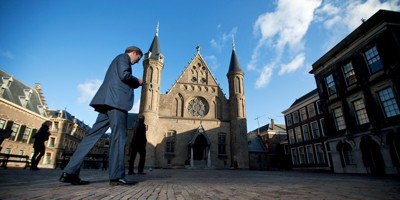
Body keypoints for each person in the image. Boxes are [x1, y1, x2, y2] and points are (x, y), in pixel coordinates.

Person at [59, 46, 143, 186]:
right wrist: (137, 82)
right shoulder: (123, 58)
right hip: (116, 103)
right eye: (138, 59)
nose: (137, 62)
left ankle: (70, 172)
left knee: (92, 136)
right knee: (119, 137)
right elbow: (124, 75)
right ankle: (116, 176)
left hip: (107, 103)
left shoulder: (117, 60)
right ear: (133, 53)